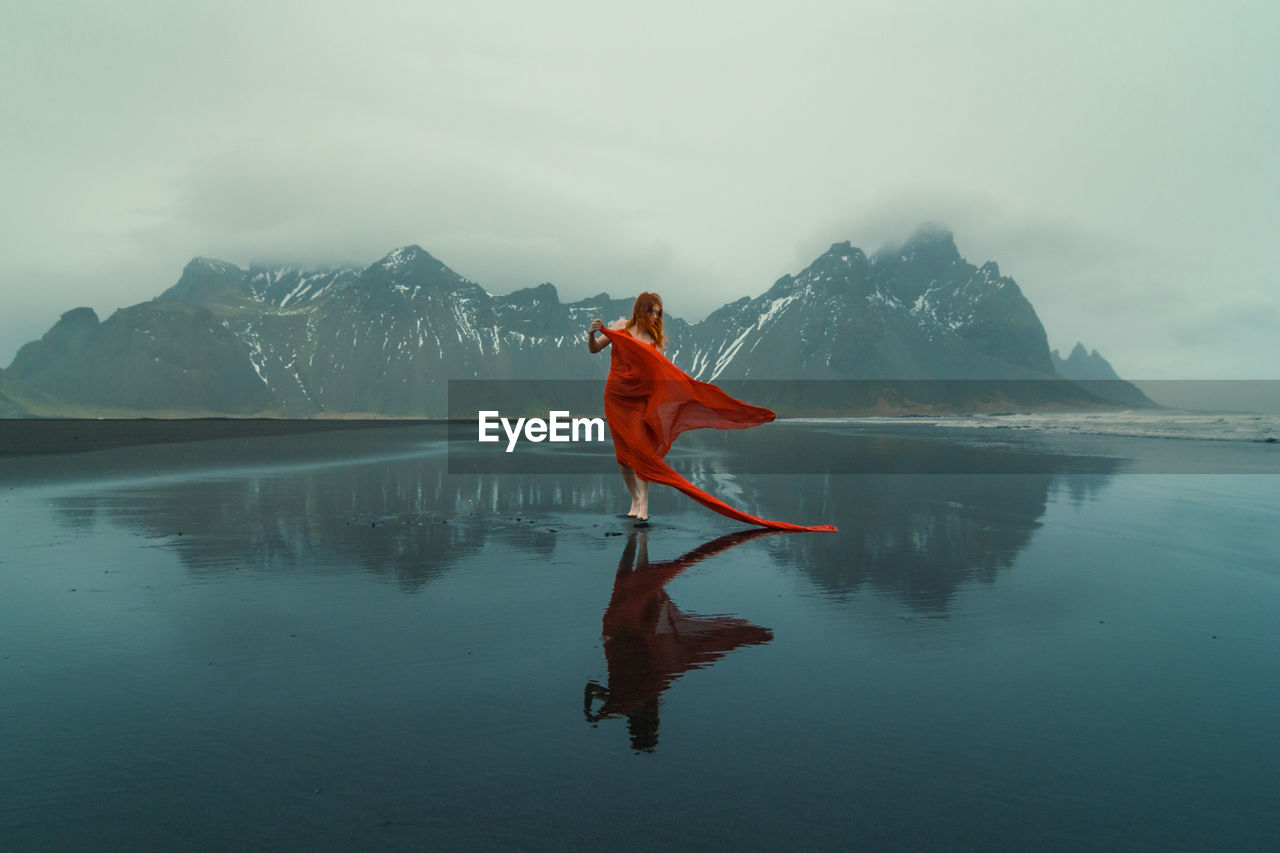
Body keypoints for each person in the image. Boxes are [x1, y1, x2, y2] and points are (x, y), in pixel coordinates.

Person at [587, 292, 836, 532]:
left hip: (638, 401)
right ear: (642, 310)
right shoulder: (620, 327)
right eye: (653, 312)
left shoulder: (654, 343)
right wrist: (592, 333)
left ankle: (644, 504)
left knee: (641, 450)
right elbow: (595, 348)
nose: (656, 317)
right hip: (616, 398)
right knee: (623, 455)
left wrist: (681, 394)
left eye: (659, 314)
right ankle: (633, 500)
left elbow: (659, 376)